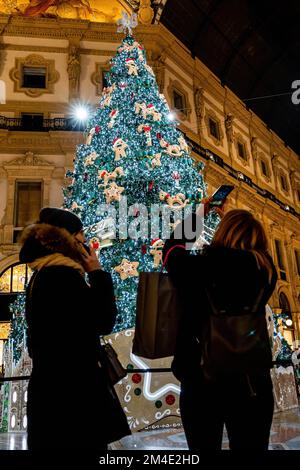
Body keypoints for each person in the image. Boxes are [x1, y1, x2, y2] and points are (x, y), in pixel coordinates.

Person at [163, 205, 277, 451]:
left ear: (222, 232)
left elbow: (172, 249)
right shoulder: (266, 270)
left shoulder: (201, 267)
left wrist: (200, 215)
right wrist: (236, 223)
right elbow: (241, 257)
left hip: (202, 379)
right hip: (252, 381)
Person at [19, 207, 130, 450]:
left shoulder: (42, 274)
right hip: (73, 399)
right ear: (68, 239)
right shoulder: (63, 276)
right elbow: (103, 320)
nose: (86, 242)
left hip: (52, 393)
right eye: (80, 235)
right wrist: (98, 274)